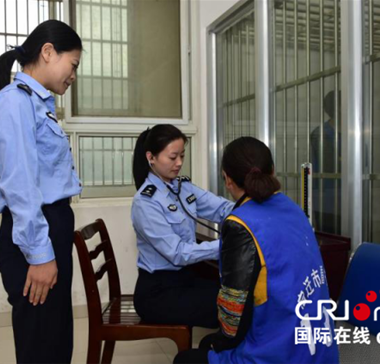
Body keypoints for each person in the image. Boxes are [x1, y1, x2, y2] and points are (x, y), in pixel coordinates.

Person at [175, 137, 339, 364]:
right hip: (321, 352)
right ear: (272, 171)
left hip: (280, 354)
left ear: (227, 179)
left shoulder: (239, 225)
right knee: (208, 345)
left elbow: (233, 320)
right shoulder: (292, 208)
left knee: (186, 359)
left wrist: (219, 342)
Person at [0, 20, 82, 364]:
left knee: (55, 339)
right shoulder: (15, 103)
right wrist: (40, 255)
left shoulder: (37, 104)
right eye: (73, 65)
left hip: (48, 226)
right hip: (34, 232)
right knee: (41, 345)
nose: (73, 75)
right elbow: (20, 186)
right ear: (48, 52)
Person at [131, 124, 234, 328]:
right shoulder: (145, 202)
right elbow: (177, 253)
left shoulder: (182, 188)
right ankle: (218, 354)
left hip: (185, 279)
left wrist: (251, 211)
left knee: (237, 295)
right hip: (158, 292)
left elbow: (221, 208)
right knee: (231, 307)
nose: (179, 163)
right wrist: (226, 246)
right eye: (172, 157)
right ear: (151, 157)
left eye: (182, 156)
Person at [310, 90, 341, 234]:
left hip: (347, 197)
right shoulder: (320, 135)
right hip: (326, 200)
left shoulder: (355, 134)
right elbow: (327, 166)